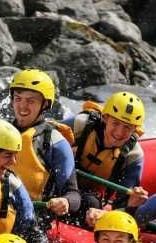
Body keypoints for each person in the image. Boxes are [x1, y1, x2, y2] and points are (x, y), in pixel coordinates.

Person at [60, 91, 150, 226]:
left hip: (88, 197)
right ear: (105, 118)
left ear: (134, 130)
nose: (120, 132)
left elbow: (123, 204)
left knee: (92, 203)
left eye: (127, 127)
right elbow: (42, 137)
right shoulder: (81, 125)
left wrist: (109, 214)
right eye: (115, 123)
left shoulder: (133, 156)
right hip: (61, 181)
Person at [7, 68, 81, 219]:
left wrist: (65, 201)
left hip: (31, 218)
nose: (22, 106)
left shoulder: (55, 142)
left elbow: (73, 194)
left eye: (30, 101)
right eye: (18, 98)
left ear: (45, 104)